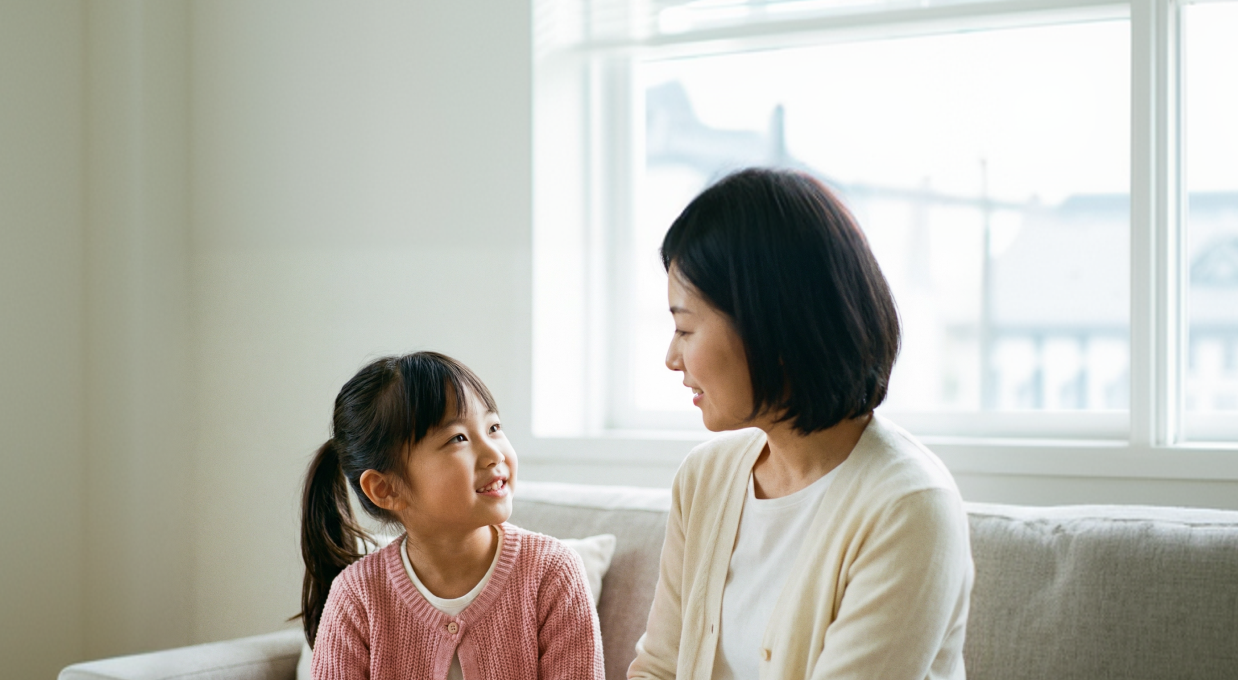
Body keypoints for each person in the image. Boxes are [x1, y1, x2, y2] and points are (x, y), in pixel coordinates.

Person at [628, 168, 974, 680]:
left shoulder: (909, 509)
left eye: (684, 328)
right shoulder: (706, 479)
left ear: (771, 328)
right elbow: (659, 667)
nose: (671, 357)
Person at [299, 351, 603, 680]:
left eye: (494, 427)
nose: (494, 453)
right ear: (386, 489)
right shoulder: (357, 595)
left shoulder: (552, 572)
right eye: (458, 438)